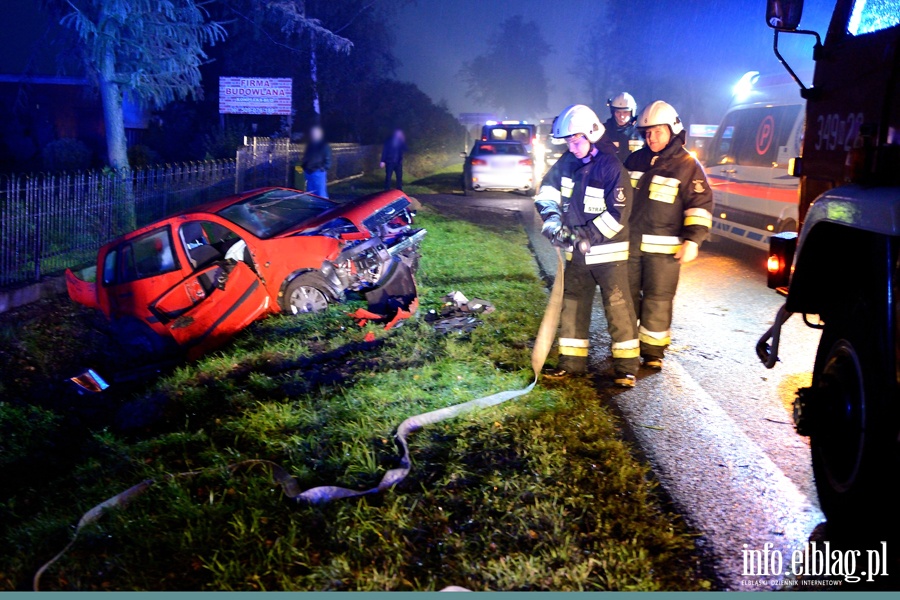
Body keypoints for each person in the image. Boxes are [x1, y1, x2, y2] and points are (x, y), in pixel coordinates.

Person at [534, 104, 640, 388]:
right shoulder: (567, 162)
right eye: (568, 140)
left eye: (577, 139)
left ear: (592, 135)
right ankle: (570, 364)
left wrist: (585, 236)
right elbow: (546, 192)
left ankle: (626, 368)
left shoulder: (611, 166)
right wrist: (552, 220)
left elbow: (618, 214)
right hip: (577, 255)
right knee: (573, 307)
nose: (573, 145)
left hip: (609, 255)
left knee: (618, 309)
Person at [624, 101, 713, 370]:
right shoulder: (634, 160)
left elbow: (699, 205)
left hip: (665, 251)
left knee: (657, 301)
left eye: (658, 132)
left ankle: (653, 353)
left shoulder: (688, 165)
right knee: (625, 300)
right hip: (629, 246)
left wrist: (693, 240)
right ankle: (624, 352)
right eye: (647, 133)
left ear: (673, 131)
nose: (651, 138)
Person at [601, 92, 643, 164]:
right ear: (613, 112)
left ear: (632, 112)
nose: (621, 116)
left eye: (625, 112)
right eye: (618, 112)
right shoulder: (603, 131)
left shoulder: (641, 131)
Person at [301, 125, 332, 198]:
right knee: (311, 193)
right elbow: (306, 156)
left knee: (320, 193)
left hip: (318, 171)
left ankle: (323, 208)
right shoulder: (310, 145)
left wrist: (323, 168)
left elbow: (327, 158)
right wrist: (305, 167)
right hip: (309, 172)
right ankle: (313, 206)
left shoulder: (323, 145)